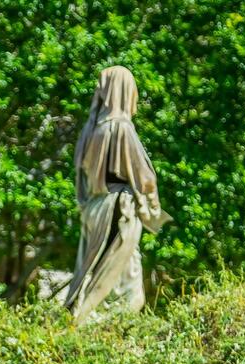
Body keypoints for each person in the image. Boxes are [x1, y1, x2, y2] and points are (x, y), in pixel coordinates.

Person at [61, 65, 169, 321]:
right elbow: (144, 176)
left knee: (93, 276)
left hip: (94, 209)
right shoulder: (120, 128)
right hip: (118, 212)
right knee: (128, 293)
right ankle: (101, 334)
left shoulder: (90, 131)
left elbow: (80, 178)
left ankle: (84, 326)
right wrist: (152, 209)